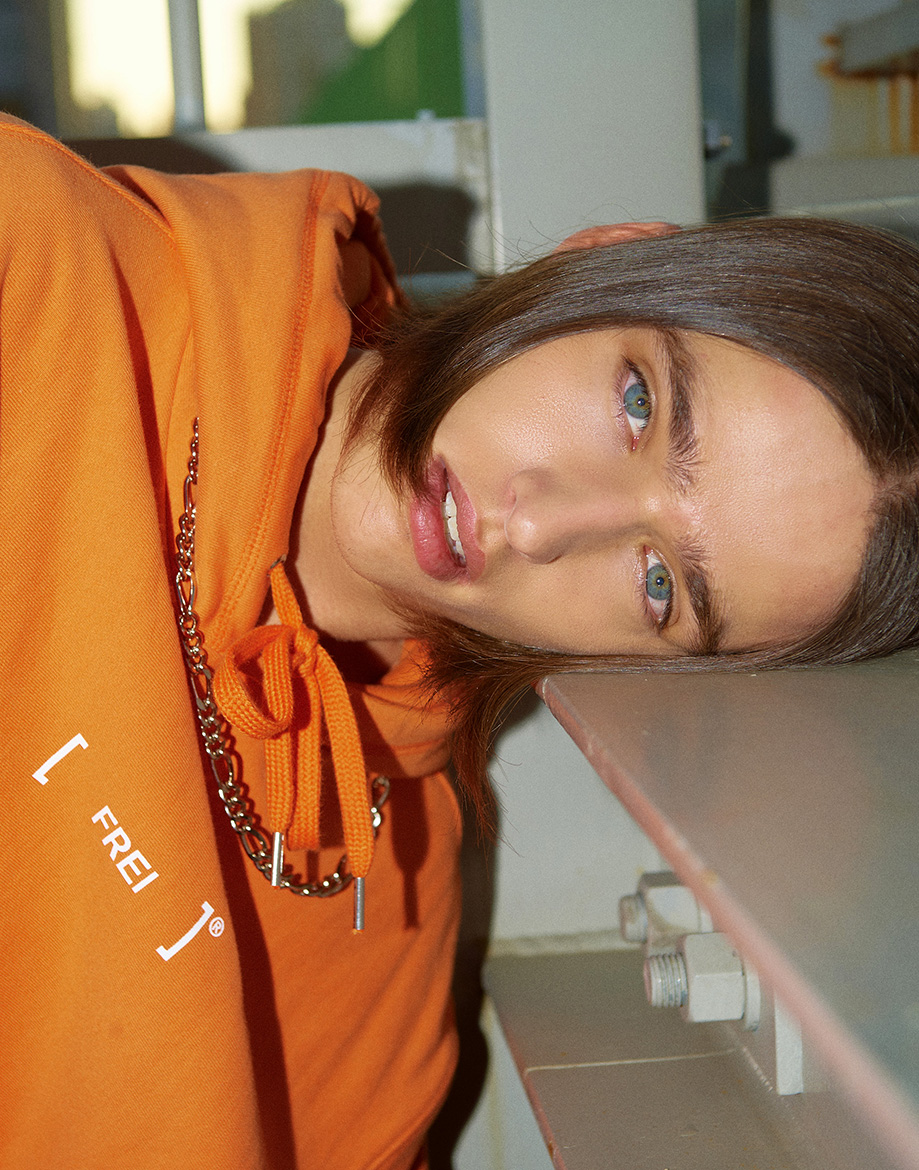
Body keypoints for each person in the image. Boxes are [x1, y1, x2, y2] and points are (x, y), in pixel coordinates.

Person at [2, 112, 918, 1169]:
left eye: (660, 585)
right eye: (638, 404)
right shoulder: (35, 263)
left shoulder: (384, 976)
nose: (538, 524)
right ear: (600, 261)